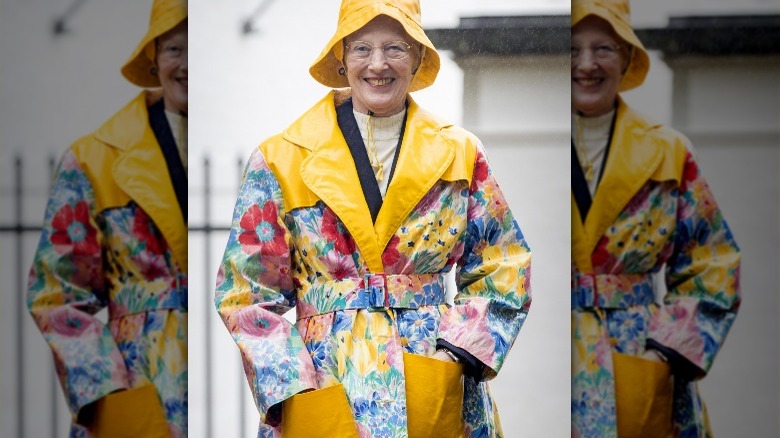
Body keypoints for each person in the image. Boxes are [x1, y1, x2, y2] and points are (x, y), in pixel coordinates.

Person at [214, 0, 531, 436]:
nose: (377, 64)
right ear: (341, 57)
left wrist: (455, 355)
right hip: (324, 382)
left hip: (434, 377)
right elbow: (244, 294)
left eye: (395, 48)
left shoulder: (461, 153)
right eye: (362, 48)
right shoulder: (279, 158)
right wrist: (295, 388)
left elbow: (504, 262)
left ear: (418, 57)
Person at [570, 0, 741, 436]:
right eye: (571, 49)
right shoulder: (525, 156)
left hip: (640, 352)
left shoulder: (669, 152)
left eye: (603, 48)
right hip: (555, 349)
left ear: (626, 56)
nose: (586, 64)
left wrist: (662, 354)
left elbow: (712, 262)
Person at [26, 0, 187, 436]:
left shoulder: (264, 158)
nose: (189, 64)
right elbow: (55, 295)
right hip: (138, 385)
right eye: (175, 48)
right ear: (153, 58)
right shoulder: (93, 159)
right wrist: (107, 392)